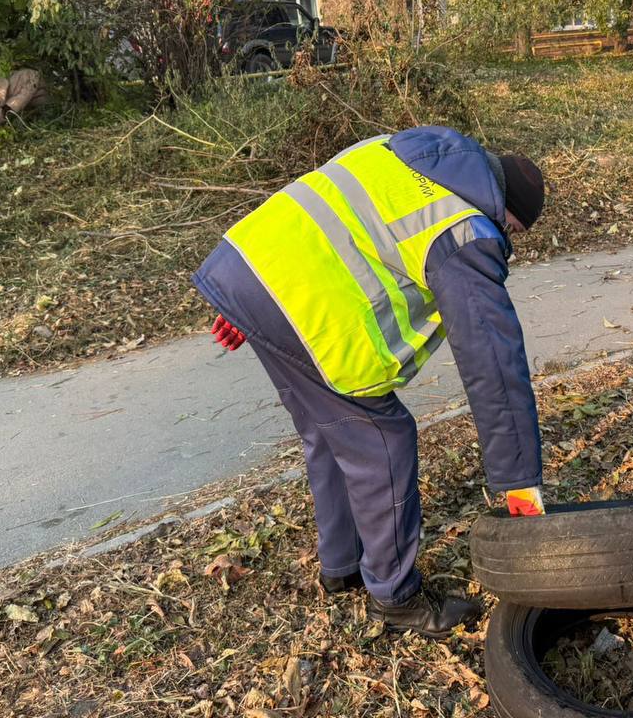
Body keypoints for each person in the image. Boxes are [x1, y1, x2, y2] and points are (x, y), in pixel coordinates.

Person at [191, 126, 547, 638]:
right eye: (515, 230)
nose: (509, 240)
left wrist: (248, 301)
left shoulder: (401, 151)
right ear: (504, 207)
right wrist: (519, 485)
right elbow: (494, 365)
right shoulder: (467, 231)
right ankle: (396, 598)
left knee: (328, 430)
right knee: (382, 439)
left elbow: (317, 218)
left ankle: (342, 564)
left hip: (249, 271)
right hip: (303, 313)